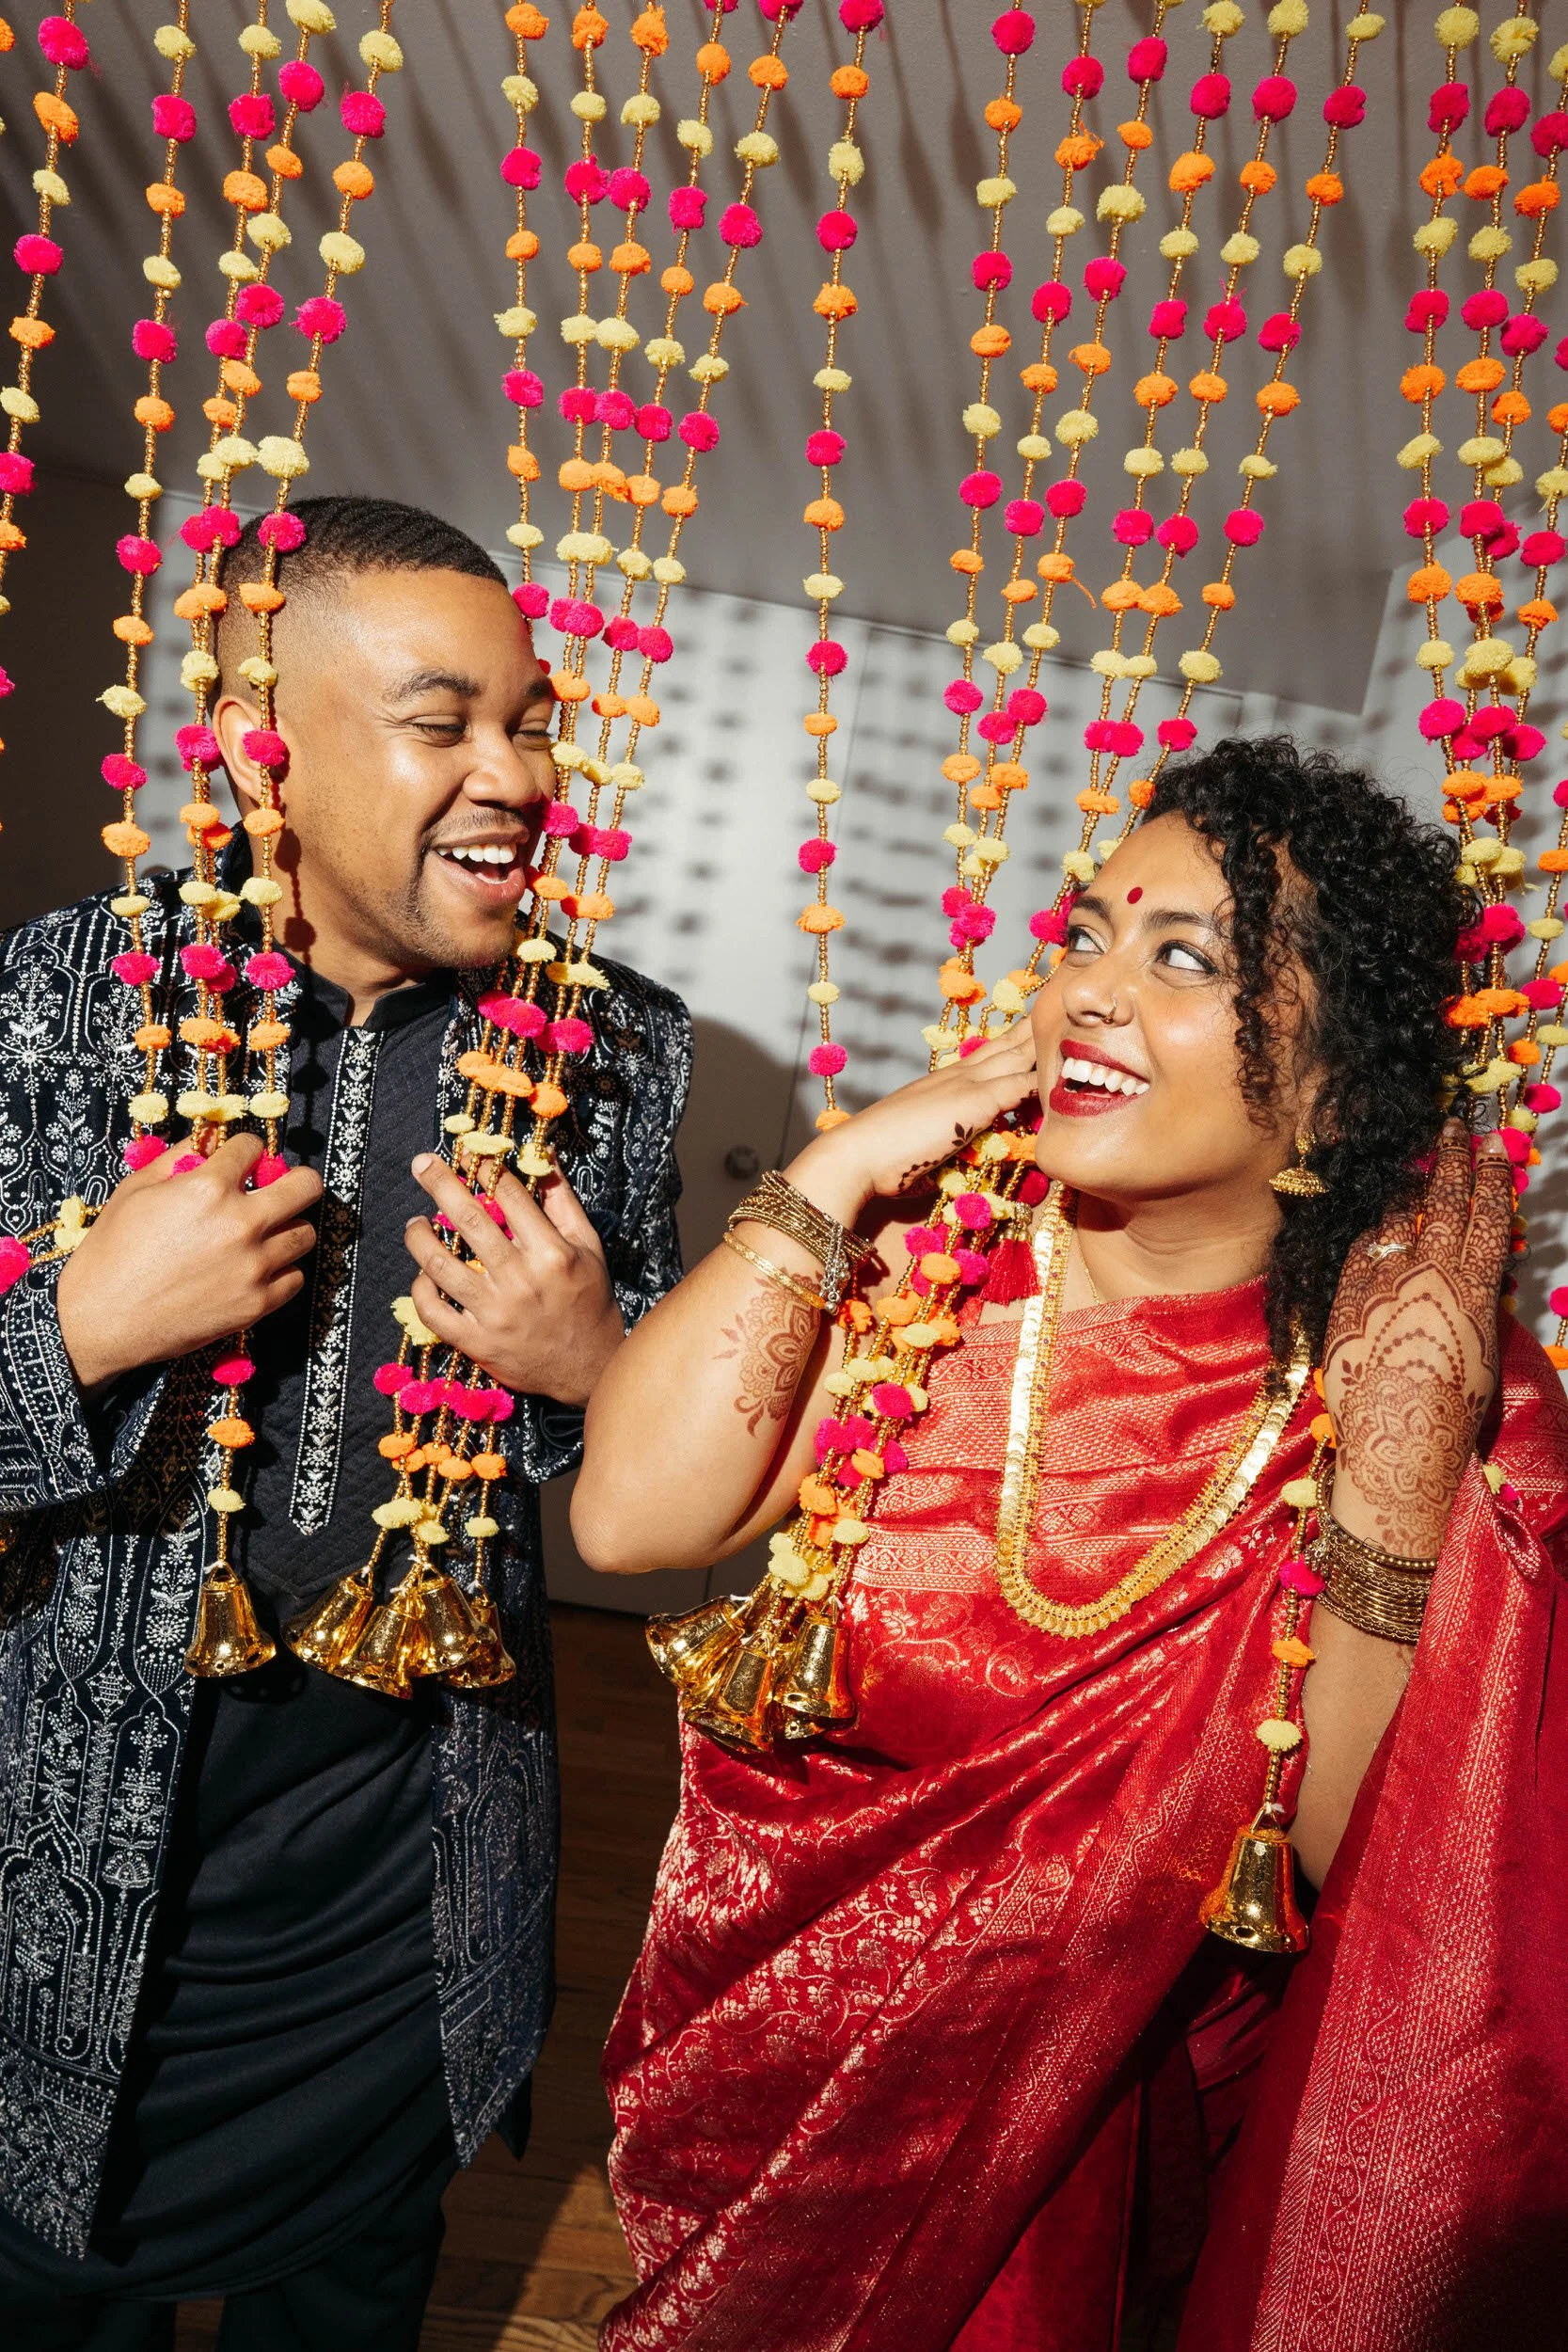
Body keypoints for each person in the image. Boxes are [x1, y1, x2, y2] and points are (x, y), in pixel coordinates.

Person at [573, 737, 1568, 2350]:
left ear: (1334, 1076)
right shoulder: (933, 1251)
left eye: (1181, 959)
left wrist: (1389, 1478)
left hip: (1084, 2129)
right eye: (1084, 935)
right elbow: (633, 1518)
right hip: (756, 2059)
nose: (1088, 992)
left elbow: (1367, 1872)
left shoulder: (1398, 1376)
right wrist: (833, 1169)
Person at [0, 497, 691, 2348]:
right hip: (81, 1890)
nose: (514, 773)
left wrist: (592, 1359)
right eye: (441, 718)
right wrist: (76, 1327)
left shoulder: (610, 1052)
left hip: (401, 1892)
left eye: (530, 719)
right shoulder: (62, 1006)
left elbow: (645, 1490)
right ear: (262, 750)